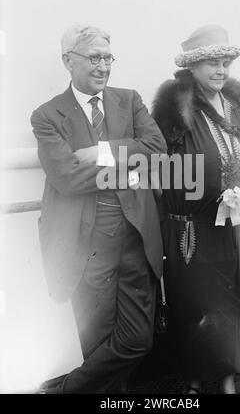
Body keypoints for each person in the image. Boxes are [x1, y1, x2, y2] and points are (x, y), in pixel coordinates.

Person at [31, 24, 167, 393]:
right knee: (96, 339)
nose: (104, 66)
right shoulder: (47, 116)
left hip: (135, 234)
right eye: (94, 57)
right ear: (68, 61)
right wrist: (129, 161)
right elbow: (66, 178)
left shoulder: (129, 99)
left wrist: (100, 153)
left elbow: (157, 150)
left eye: (108, 57)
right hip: (86, 242)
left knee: (138, 340)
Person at [152, 25, 240, 394]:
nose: (221, 70)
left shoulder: (236, 104)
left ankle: (226, 378)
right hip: (190, 228)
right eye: (212, 63)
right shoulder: (175, 108)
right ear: (192, 68)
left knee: (228, 300)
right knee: (194, 304)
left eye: (225, 62)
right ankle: (195, 380)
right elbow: (161, 165)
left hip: (230, 223)